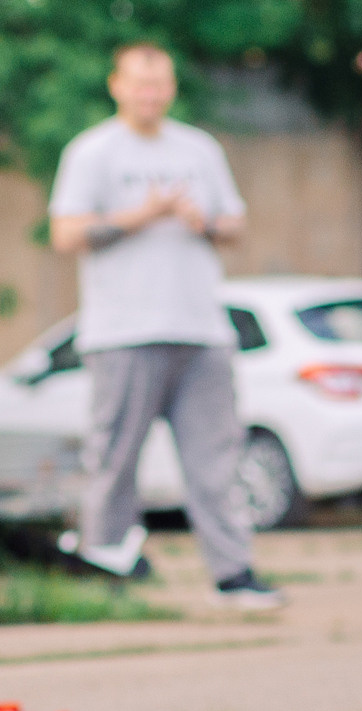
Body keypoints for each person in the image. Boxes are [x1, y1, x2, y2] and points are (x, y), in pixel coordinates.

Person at [47, 41, 281, 608]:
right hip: (122, 332)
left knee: (216, 461)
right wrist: (141, 215)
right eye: (138, 83)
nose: (150, 94)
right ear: (116, 85)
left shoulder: (198, 149)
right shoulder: (93, 151)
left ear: (171, 88)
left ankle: (234, 576)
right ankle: (107, 570)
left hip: (201, 329)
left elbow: (235, 225)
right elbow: (66, 234)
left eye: (159, 84)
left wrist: (202, 222)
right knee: (114, 461)